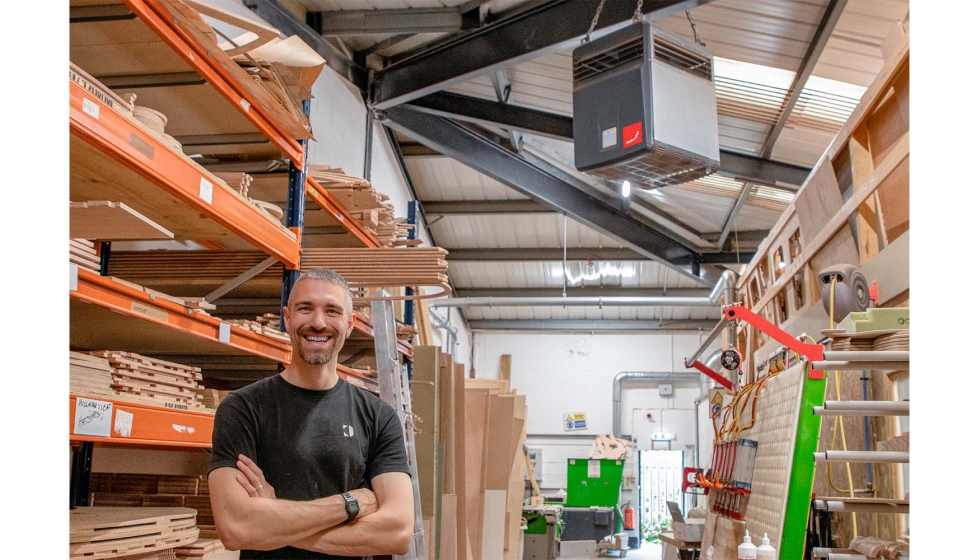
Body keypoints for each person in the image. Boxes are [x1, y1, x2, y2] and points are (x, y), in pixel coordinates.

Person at [208, 268, 415, 559]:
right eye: (305, 308)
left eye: (332, 311)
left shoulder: (378, 416)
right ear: (287, 317)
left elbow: (397, 532)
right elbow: (236, 528)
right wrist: (350, 504)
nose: (318, 323)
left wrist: (273, 521)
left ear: (350, 323)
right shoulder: (243, 408)